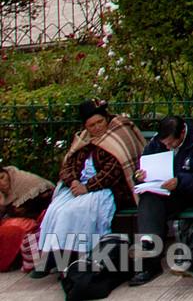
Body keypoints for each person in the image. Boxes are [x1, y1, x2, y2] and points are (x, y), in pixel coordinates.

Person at [34, 100, 143, 276]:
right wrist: (73, 182)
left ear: (105, 118)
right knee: (55, 209)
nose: (97, 127)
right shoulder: (84, 139)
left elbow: (114, 170)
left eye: (100, 122)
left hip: (109, 189)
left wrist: (88, 187)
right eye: (92, 125)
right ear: (86, 126)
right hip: (79, 187)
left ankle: (72, 256)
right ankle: (54, 255)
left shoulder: (119, 131)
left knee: (73, 211)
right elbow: (67, 166)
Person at [131, 114, 193, 286]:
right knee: (149, 199)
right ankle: (149, 254)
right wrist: (139, 176)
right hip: (165, 191)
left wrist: (180, 181)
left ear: (182, 132)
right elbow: (144, 164)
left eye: (171, 143)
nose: (168, 147)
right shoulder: (158, 141)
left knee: (155, 206)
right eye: (165, 144)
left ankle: (149, 253)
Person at [0, 163, 55, 274]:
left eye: (2, 177)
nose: (1, 183)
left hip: (40, 217)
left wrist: (22, 210)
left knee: (11, 228)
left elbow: (46, 199)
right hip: (24, 219)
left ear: (7, 174)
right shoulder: (4, 194)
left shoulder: (23, 181)